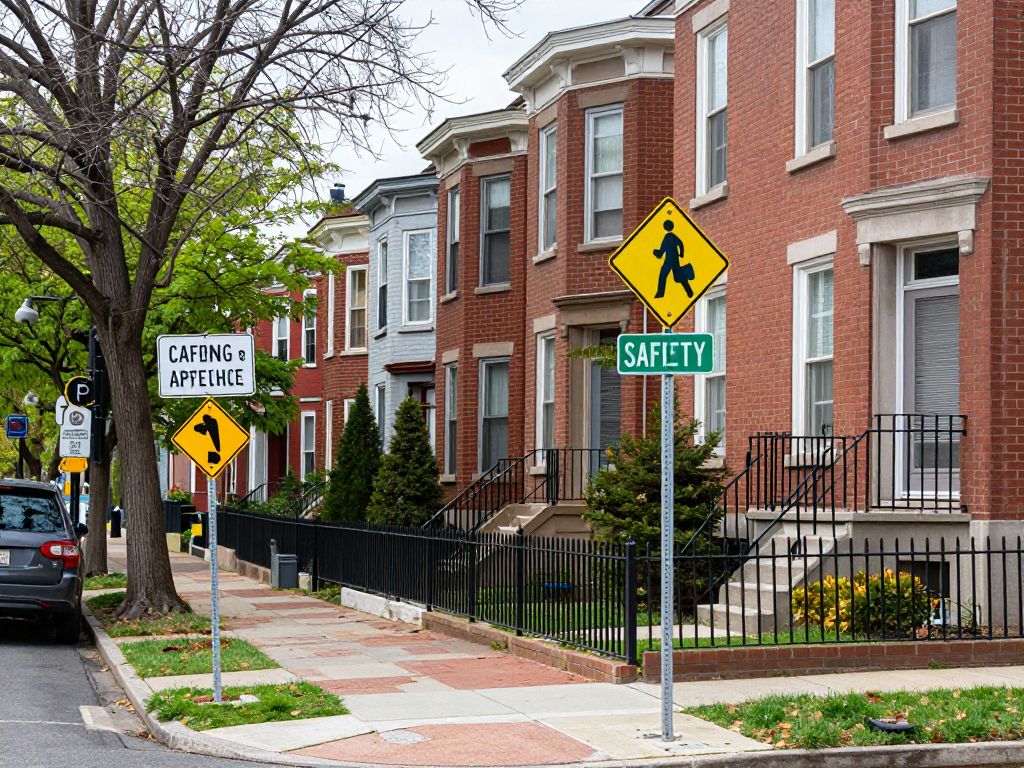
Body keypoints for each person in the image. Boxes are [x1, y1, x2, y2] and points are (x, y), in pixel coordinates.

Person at [653, 219, 695, 299]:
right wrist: (681, 253)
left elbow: (662, 251)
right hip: (675, 260)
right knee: (678, 276)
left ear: (664, 227)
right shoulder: (674, 236)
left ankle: (660, 293)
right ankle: (689, 292)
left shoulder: (667, 237)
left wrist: (655, 252)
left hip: (669, 261)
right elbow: (681, 243)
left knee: (663, 275)